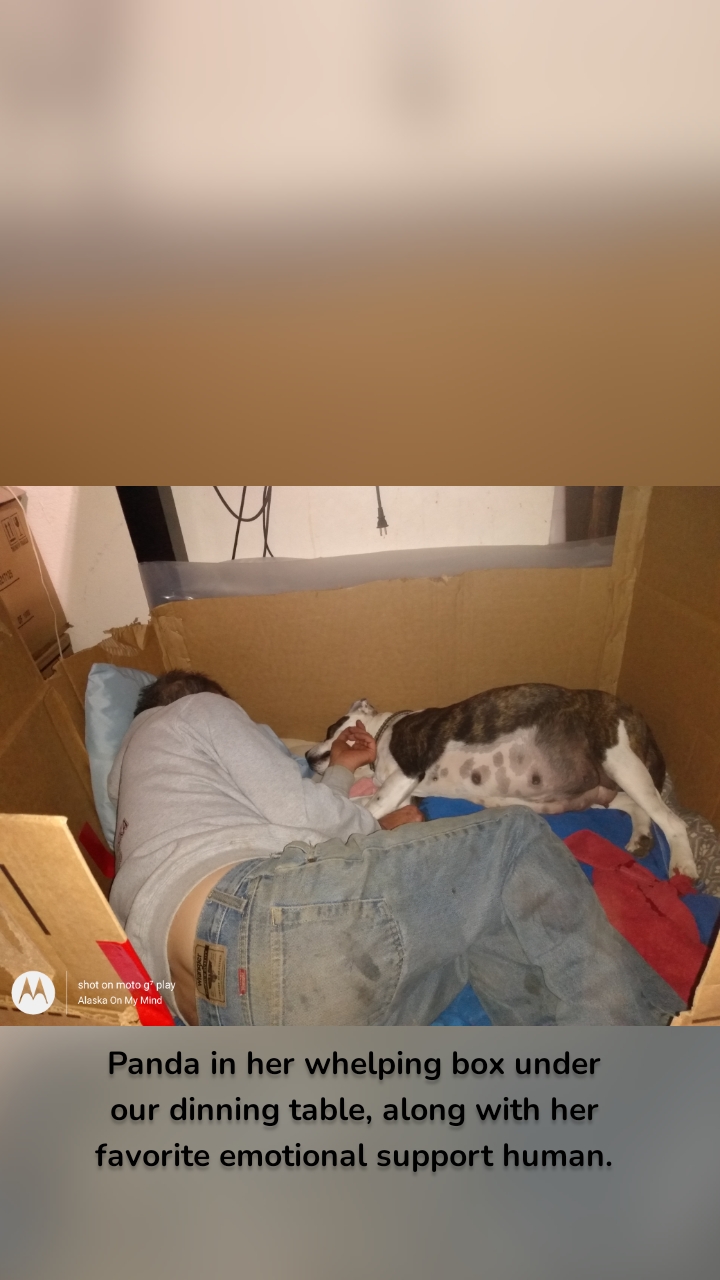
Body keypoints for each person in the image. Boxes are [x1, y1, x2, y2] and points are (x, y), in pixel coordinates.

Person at [108, 671, 683, 1027]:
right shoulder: (194, 708)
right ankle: (650, 1040)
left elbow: (286, 819)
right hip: (260, 923)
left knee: (474, 928)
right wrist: (380, 824)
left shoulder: (132, 789)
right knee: (512, 838)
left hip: (232, 1013)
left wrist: (340, 774)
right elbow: (302, 817)